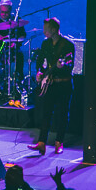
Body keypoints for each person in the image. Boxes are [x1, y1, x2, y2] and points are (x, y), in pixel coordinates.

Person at [27, 17, 74, 154]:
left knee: (62, 114)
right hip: (50, 84)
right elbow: (41, 61)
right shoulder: (45, 44)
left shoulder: (67, 45)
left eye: (46, 29)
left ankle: (59, 142)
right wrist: (39, 72)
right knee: (46, 113)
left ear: (54, 29)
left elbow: (69, 65)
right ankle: (41, 142)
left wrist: (62, 66)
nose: (44, 32)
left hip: (63, 84)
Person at [0, 0, 26, 83]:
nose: (4, 14)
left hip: (12, 48)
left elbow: (23, 35)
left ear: (10, 11)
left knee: (20, 55)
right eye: (2, 12)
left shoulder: (16, 19)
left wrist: (14, 42)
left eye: (6, 12)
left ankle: (19, 81)